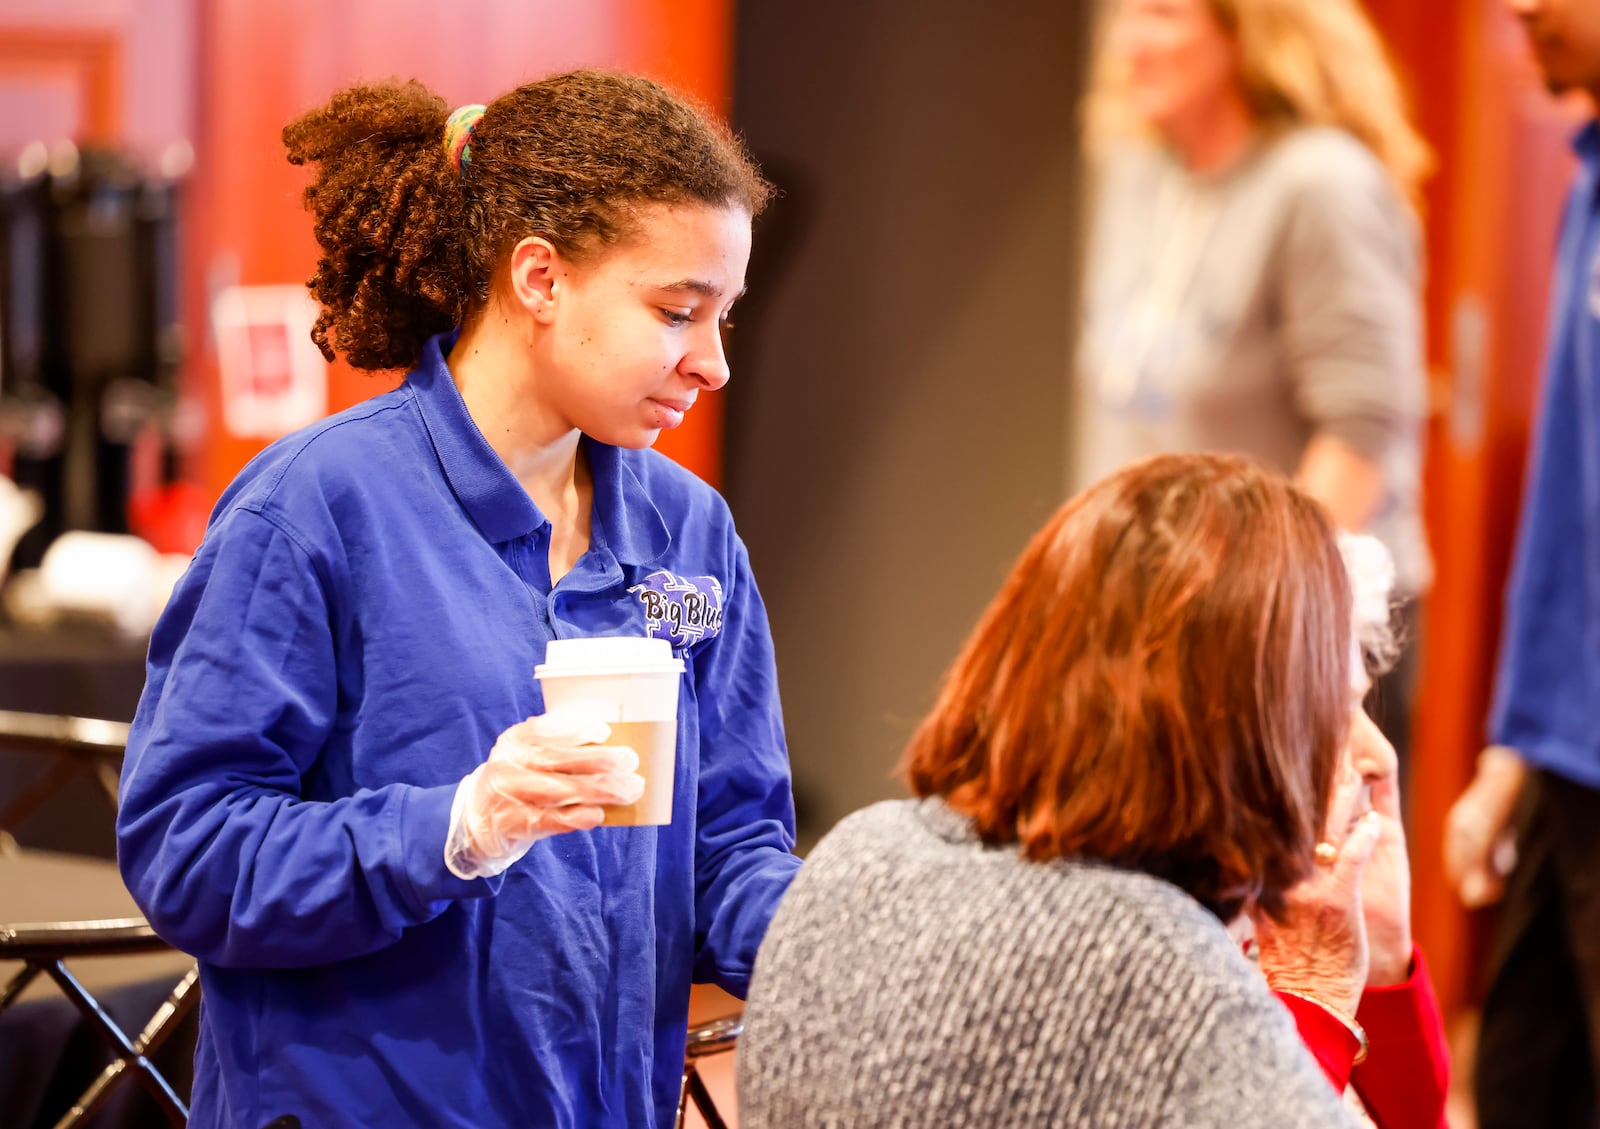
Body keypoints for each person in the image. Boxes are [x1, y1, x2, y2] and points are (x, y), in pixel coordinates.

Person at [114, 71, 801, 1129]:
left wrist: (842, 935)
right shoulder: (318, 506)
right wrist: (457, 825)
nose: (710, 363)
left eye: (724, 318)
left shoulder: (689, 531)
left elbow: (730, 850)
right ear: (539, 278)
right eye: (677, 312)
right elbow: (189, 852)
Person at [736, 453, 1448, 1128]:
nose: (1367, 752)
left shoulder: (857, 850)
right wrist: (1317, 993)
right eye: (1335, 709)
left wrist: (1382, 959)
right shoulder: (1153, 963)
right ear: (1249, 724)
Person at [1077, 0, 1433, 781]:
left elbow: (1361, 435)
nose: (1131, 42)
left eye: (1164, 14)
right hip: (1151, 621)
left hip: (1285, 634)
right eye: (1126, 15)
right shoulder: (1138, 167)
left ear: (1249, 29)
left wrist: (1241, 628)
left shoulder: (1322, 185)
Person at [1442, 2, 1600, 1125]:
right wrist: (1510, 744)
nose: (1520, 8)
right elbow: (1563, 509)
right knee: (1517, 1080)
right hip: (1566, 754)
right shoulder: (1584, 178)